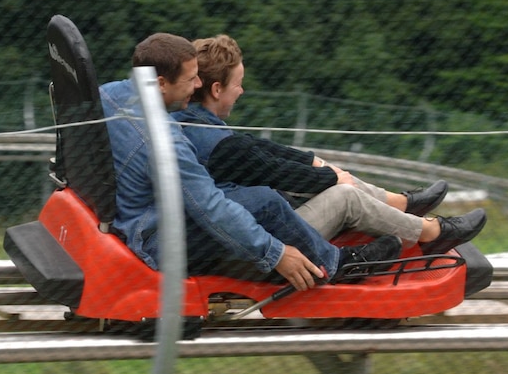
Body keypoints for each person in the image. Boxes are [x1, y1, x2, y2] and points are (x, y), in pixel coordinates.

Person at [99, 32, 402, 291]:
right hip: (157, 241)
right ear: (162, 83)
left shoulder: (108, 95)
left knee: (254, 196)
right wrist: (277, 253)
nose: (196, 86)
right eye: (191, 79)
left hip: (138, 218)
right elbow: (210, 208)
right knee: (264, 201)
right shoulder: (166, 143)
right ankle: (336, 267)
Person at [171, 34, 486, 255]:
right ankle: (432, 234)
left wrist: (314, 163)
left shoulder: (199, 125)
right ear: (216, 89)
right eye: (238, 85)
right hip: (264, 239)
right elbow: (273, 171)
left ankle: (401, 205)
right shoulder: (216, 143)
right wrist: (331, 177)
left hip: (250, 228)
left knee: (328, 175)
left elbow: (261, 152)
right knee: (345, 197)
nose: (241, 91)